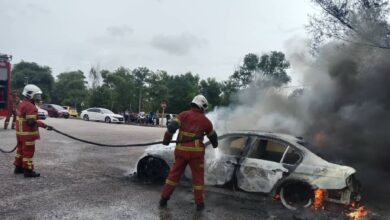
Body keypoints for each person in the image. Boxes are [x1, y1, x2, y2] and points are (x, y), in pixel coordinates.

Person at [159, 95, 218, 211]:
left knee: (173, 176)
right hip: (196, 155)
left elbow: (171, 127)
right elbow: (213, 137)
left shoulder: (183, 115)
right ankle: (200, 204)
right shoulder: (206, 121)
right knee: (198, 180)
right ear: (202, 106)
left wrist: (166, 140)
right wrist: (215, 145)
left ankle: (164, 199)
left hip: (181, 152)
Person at [14, 84, 53, 178]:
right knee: (28, 152)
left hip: (20, 134)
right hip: (28, 134)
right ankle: (28, 171)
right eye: (36, 95)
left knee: (20, 151)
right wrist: (45, 125)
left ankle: (18, 168)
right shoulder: (30, 106)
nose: (38, 98)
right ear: (29, 94)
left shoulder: (21, 104)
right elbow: (31, 122)